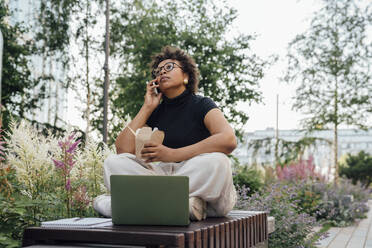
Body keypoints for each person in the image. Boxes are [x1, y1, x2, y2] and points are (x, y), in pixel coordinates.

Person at [93, 46, 237, 221]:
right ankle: (184, 206)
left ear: (186, 76)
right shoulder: (155, 112)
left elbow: (228, 140)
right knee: (113, 162)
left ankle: (116, 206)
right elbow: (122, 149)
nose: (162, 72)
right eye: (158, 71)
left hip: (194, 176)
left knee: (219, 162)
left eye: (169, 67)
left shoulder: (202, 104)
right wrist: (147, 107)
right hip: (164, 178)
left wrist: (172, 154)